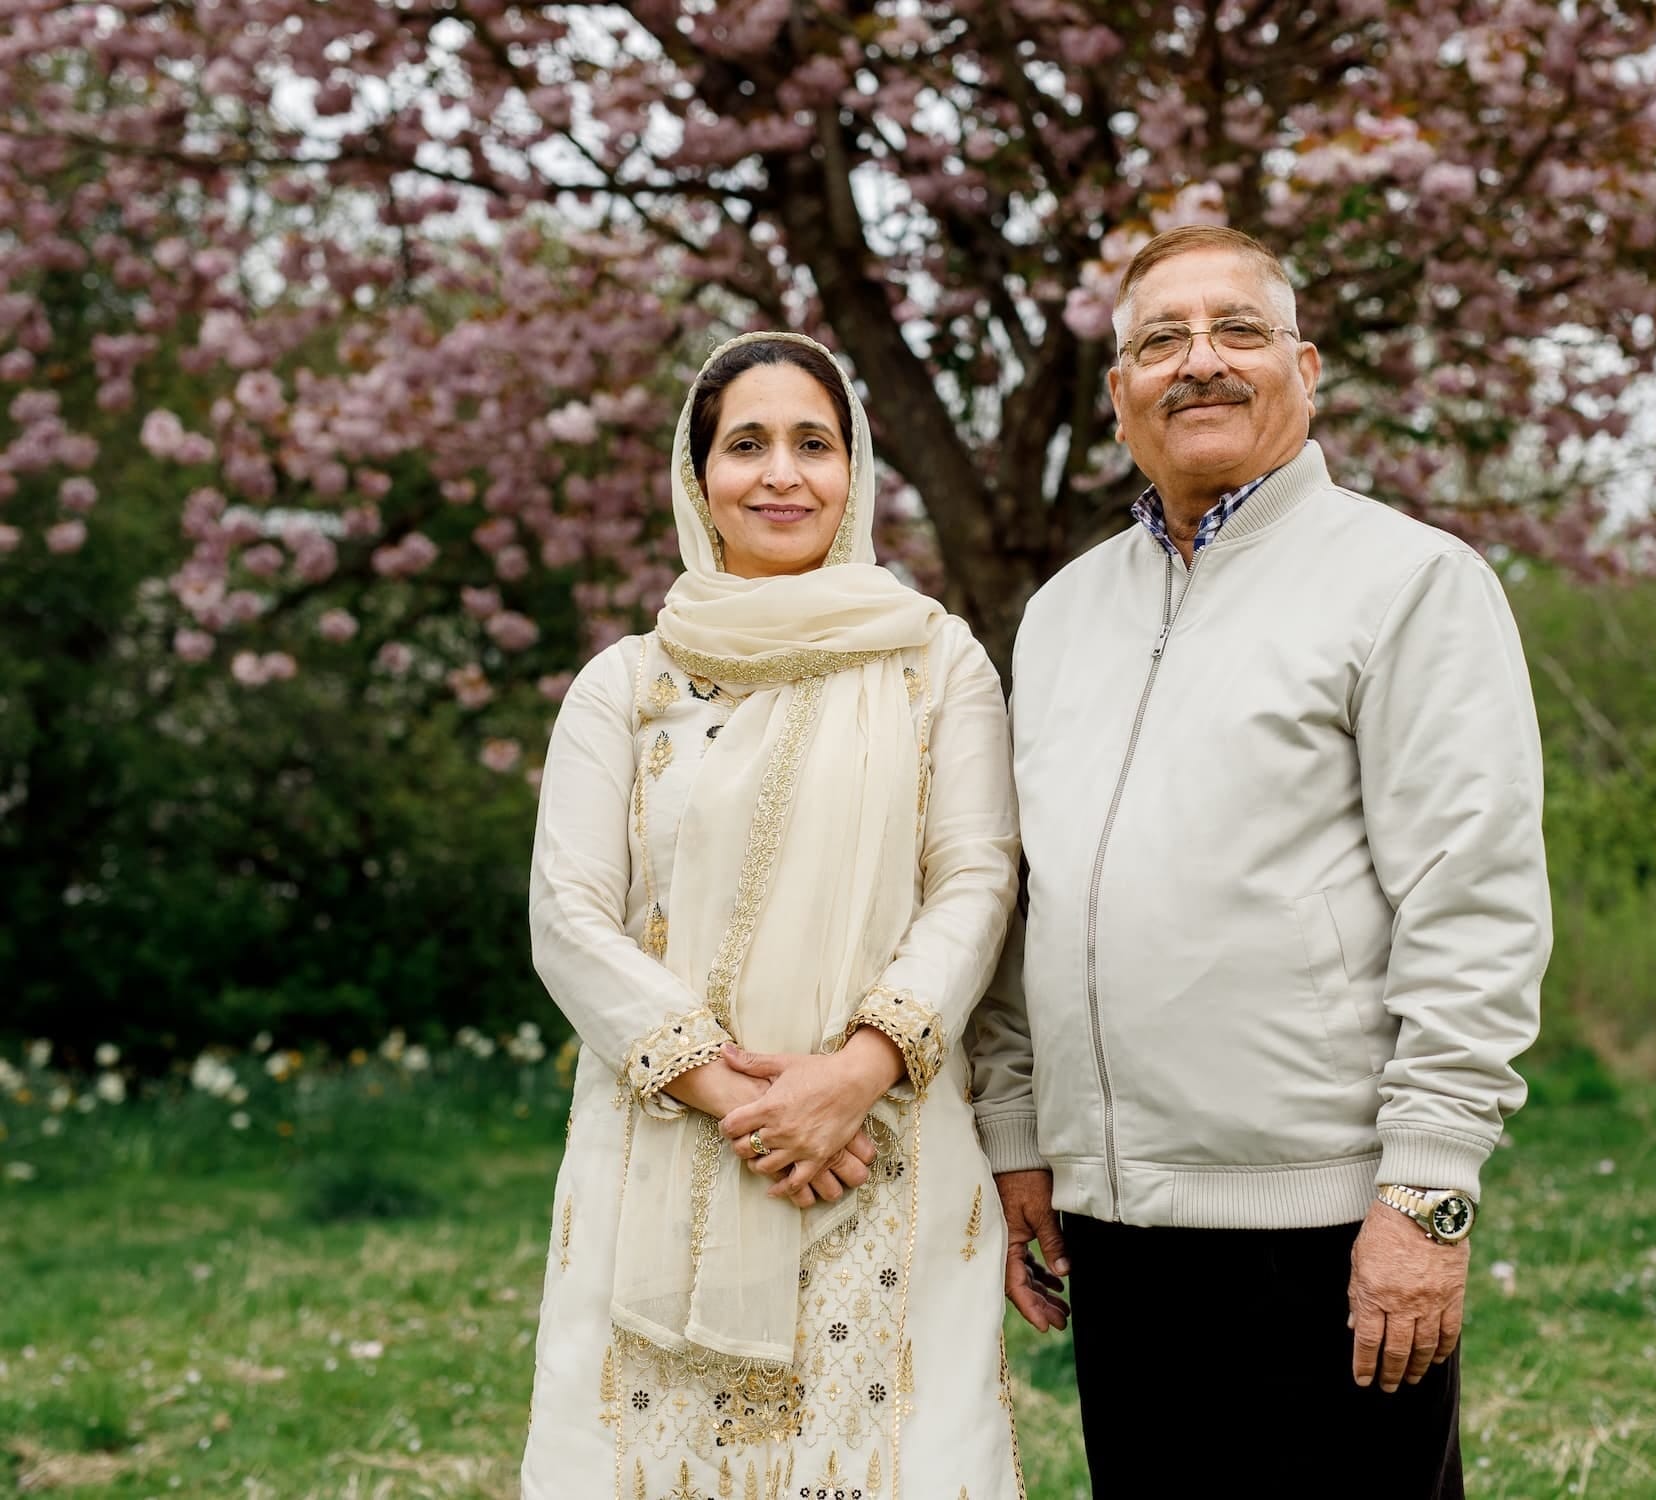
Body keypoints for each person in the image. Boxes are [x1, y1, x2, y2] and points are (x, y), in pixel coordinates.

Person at [969, 225, 1553, 1496]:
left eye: (1236, 330)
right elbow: (1020, 898)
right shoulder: (1061, 614)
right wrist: (1017, 1134)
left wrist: (1428, 1192)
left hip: (1328, 1227)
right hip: (1111, 1230)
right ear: (1118, 391)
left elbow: (1474, 902)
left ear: (1304, 365)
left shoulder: (1410, 584)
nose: (1200, 363)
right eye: (1159, 340)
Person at [522, 331, 1026, 1500]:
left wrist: (854, 1072)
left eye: (814, 443)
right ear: (697, 479)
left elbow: (976, 879)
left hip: (883, 1150)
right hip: (669, 1140)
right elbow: (568, 916)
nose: (782, 475)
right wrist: (741, 1099)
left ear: (854, 473)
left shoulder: (934, 662)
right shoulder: (628, 683)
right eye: (745, 446)